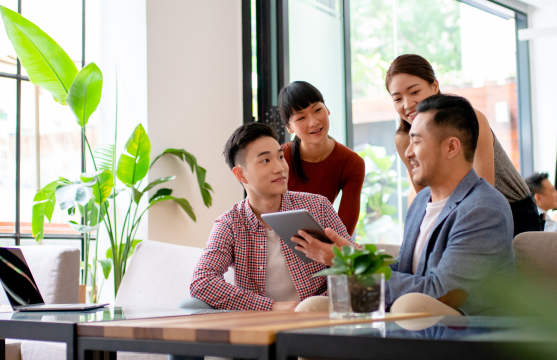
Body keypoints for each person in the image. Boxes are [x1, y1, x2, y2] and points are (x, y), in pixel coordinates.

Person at [296, 94, 514, 316]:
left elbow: (442, 292)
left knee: (408, 306)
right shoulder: (421, 201)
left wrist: (352, 266)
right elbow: (406, 272)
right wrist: (355, 258)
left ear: (451, 147)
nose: (408, 152)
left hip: (470, 329)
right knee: (311, 308)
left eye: (417, 141)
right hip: (414, 313)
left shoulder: (483, 208)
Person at [189, 122, 353, 311]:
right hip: (261, 325)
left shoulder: (317, 206)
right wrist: (272, 307)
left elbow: (359, 265)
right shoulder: (230, 223)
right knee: (189, 305)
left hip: (318, 316)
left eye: (281, 157)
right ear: (240, 174)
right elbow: (201, 281)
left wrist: (340, 260)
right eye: (265, 160)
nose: (280, 168)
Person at [385, 54, 540, 236]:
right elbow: (428, 199)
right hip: (454, 216)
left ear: (434, 86)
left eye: (414, 92)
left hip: (513, 210)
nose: (408, 104)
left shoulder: (471, 121)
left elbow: (485, 195)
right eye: (397, 99)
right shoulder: (404, 139)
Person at [278, 81, 365, 235]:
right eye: (301, 118)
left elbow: (344, 233)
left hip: (323, 244)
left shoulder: (352, 163)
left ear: (327, 110)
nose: (314, 122)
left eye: (317, 110)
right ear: (289, 127)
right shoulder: (279, 158)